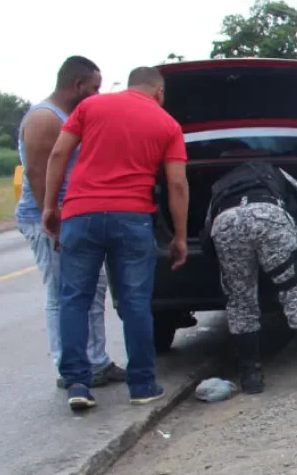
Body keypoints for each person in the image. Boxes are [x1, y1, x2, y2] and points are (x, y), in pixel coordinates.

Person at [42, 66, 189, 411]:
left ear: (130, 85)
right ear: (159, 93)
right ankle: (142, 386)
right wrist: (179, 236)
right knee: (136, 303)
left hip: (81, 215)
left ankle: (78, 383)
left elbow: (58, 153)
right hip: (132, 218)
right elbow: (177, 185)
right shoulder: (167, 124)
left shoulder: (91, 107)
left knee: (74, 299)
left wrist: (50, 207)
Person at [14, 55, 126, 389]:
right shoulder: (45, 118)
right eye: (93, 88)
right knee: (64, 291)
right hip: (48, 219)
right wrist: (53, 220)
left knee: (91, 289)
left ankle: (95, 361)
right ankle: (69, 365)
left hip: (73, 215)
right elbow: (36, 173)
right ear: (76, 85)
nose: (96, 94)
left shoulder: (69, 116)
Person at [200, 161, 297, 395]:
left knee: (240, 301)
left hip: (227, 222)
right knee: (295, 293)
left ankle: (251, 378)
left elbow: (207, 227)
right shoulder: (274, 171)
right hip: (269, 217)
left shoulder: (220, 185)